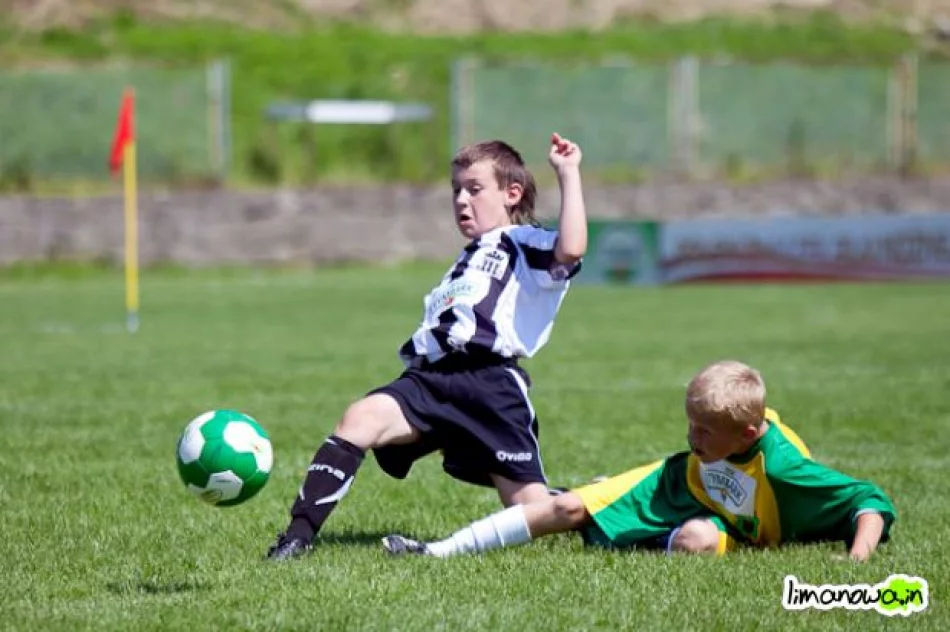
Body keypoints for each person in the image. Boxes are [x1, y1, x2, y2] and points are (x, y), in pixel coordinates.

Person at [266, 133, 588, 560]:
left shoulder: (523, 242)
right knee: (359, 420)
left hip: (488, 386)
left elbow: (571, 248)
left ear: (512, 193)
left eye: (474, 189)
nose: (461, 200)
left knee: (531, 510)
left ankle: (598, 502)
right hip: (430, 378)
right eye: (456, 190)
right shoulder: (465, 258)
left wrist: (568, 173)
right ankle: (296, 539)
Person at [382, 360, 897, 562]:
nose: (689, 434)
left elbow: (868, 501)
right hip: (679, 484)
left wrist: (856, 560)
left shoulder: (784, 470)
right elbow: (695, 451)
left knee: (695, 543)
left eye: (702, 431)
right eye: (689, 423)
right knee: (565, 512)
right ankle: (438, 550)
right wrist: (695, 451)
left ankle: (633, 529)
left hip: (729, 527)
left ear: (744, 434)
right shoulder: (694, 455)